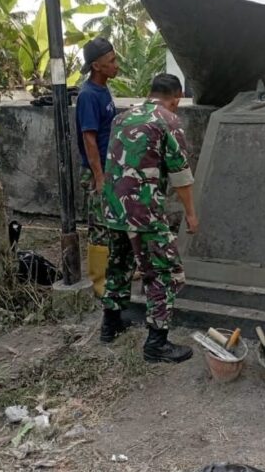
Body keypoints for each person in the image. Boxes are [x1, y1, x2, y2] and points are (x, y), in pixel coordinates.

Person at [100, 73, 199, 363]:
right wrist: (191, 214)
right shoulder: (167, 120)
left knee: (119, 264)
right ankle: (157, 343)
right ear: (177, 96)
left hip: (113, 208)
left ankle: (110, 324)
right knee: (164, 273)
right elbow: (180, 175)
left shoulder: (122, 117)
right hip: (143, 212)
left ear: (150, 91)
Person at [75, 37, 119, 296]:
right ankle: (99, 282)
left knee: (112, 221)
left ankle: (112, 269)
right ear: (96, 66)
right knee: (100, 226)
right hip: (96, 171)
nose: (116, 65)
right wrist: (99, 177)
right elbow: (89, 139)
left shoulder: (103, 90)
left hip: (108, 167)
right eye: (111, 61)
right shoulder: (89, 95)